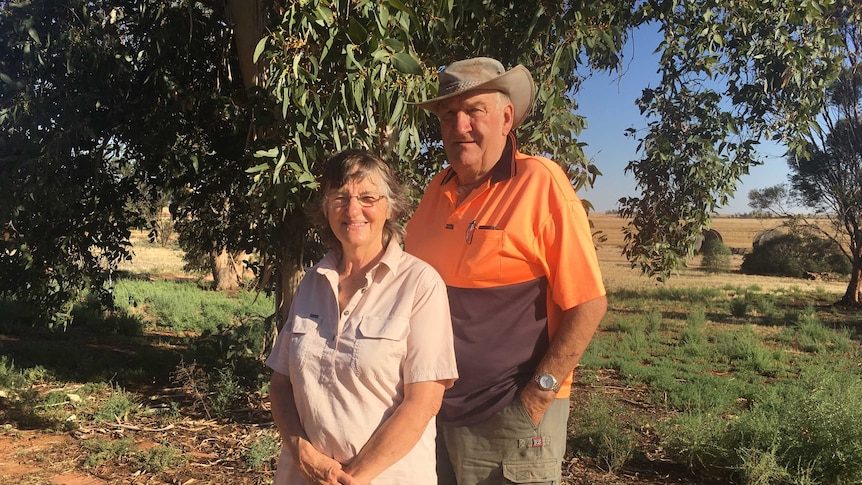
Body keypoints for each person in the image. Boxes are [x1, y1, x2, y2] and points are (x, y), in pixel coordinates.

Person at [405, 57, 608, 484]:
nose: (459, 126)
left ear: (506, 117)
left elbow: (588, 302)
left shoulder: (541, 183)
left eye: (473, 110)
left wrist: (537, 396)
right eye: (447, 115)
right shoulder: (434, 192)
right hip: (432, 412)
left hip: (510, 417)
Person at [267, 149, 458, 485]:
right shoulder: (312, 281)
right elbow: (281, 384)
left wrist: (352, 477)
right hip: (303, 476)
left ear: (391, 206)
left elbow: (424, 401)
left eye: (367, 197)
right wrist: (301, 452)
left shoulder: (419, 284)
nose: (353, 209)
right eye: (340, 197)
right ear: (326, 208)